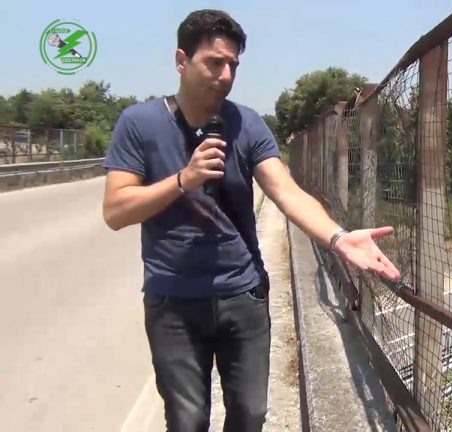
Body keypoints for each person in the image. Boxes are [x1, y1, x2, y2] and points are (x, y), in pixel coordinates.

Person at [101, 9, 401, 432]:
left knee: (250, 416)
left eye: (233, 65)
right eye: (214, 62)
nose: (225, 75)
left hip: (242, 295)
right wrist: (183, 180)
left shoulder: (247, 123)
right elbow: (116, 211)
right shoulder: (139, 123)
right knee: (186, 421)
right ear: (181, 60)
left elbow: (286, 191)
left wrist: (337, 237)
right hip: (173, 300)